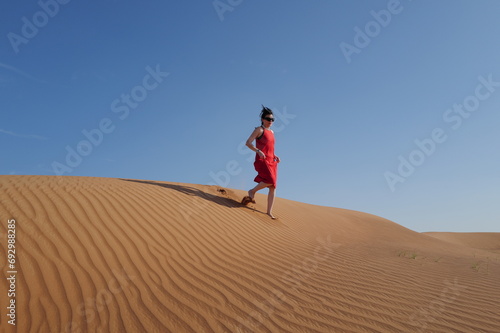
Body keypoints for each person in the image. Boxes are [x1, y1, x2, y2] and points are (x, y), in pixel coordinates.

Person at [241, 106, 281, 219]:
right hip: (262, 159)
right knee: (270, 180)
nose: (270, 121)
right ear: (263, 119)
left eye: (272, 120)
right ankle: (252, 191)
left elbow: (270, 147)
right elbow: (248, 143)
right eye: (268, 119)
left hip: (271, 160)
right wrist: (258, 151)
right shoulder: (259, 130)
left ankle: (269, 212)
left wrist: (275, 155)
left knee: (273, 186)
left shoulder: (272, 132)